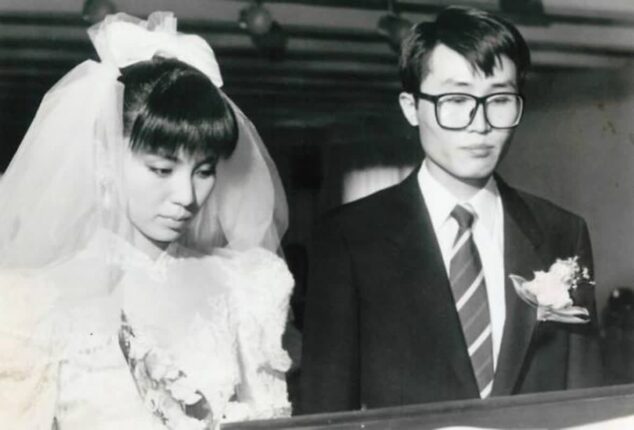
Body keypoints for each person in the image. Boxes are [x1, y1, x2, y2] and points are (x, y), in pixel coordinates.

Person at [300, 6, 602, 414]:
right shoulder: (349, 238)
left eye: (499, 99)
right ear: (411, 107)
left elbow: (584, 399)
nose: (480, 124)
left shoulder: (561, 232)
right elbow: (327, 410)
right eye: (456, 99)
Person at [0, 12, 293, 429]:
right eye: (161, 169)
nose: (187, 196)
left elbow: (270, 417)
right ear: (105, 158)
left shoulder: (245, 284)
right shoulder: (33, 300)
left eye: (204, 171)